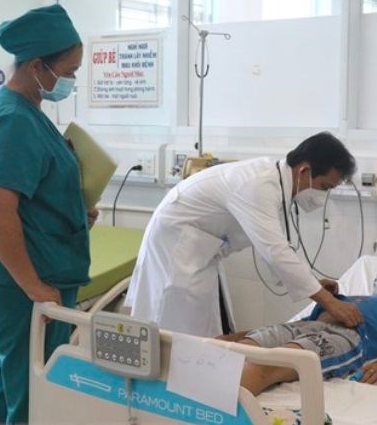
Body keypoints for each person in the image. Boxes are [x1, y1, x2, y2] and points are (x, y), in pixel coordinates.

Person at [0, 5, 95, 425]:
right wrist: (34, 287)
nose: (72, 80)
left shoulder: (27, 110)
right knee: (31, 401)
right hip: (22, 284)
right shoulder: (14, 120)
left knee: (12, 389)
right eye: (69, 71)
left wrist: (77, 211)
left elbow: (31, 195)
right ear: (38, 66)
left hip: (36, 276)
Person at [125, 132, 364, 337]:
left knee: (196, 330)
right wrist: (329, 303)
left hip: (199, 251)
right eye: (324, 187)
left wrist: (313, 285)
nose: (323, 196)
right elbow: (275, 252)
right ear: (304, 171)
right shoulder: (258, 185)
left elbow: (277, 248)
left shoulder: (276, 185)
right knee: (171, 327)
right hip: (175, 249)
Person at [220, 254, 377, 395]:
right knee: (235, 352)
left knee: (270, 363)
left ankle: (212, 416)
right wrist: (239, 335)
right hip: (306, 327)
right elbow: (304, 322)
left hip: (345, 337)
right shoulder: (352, 298)